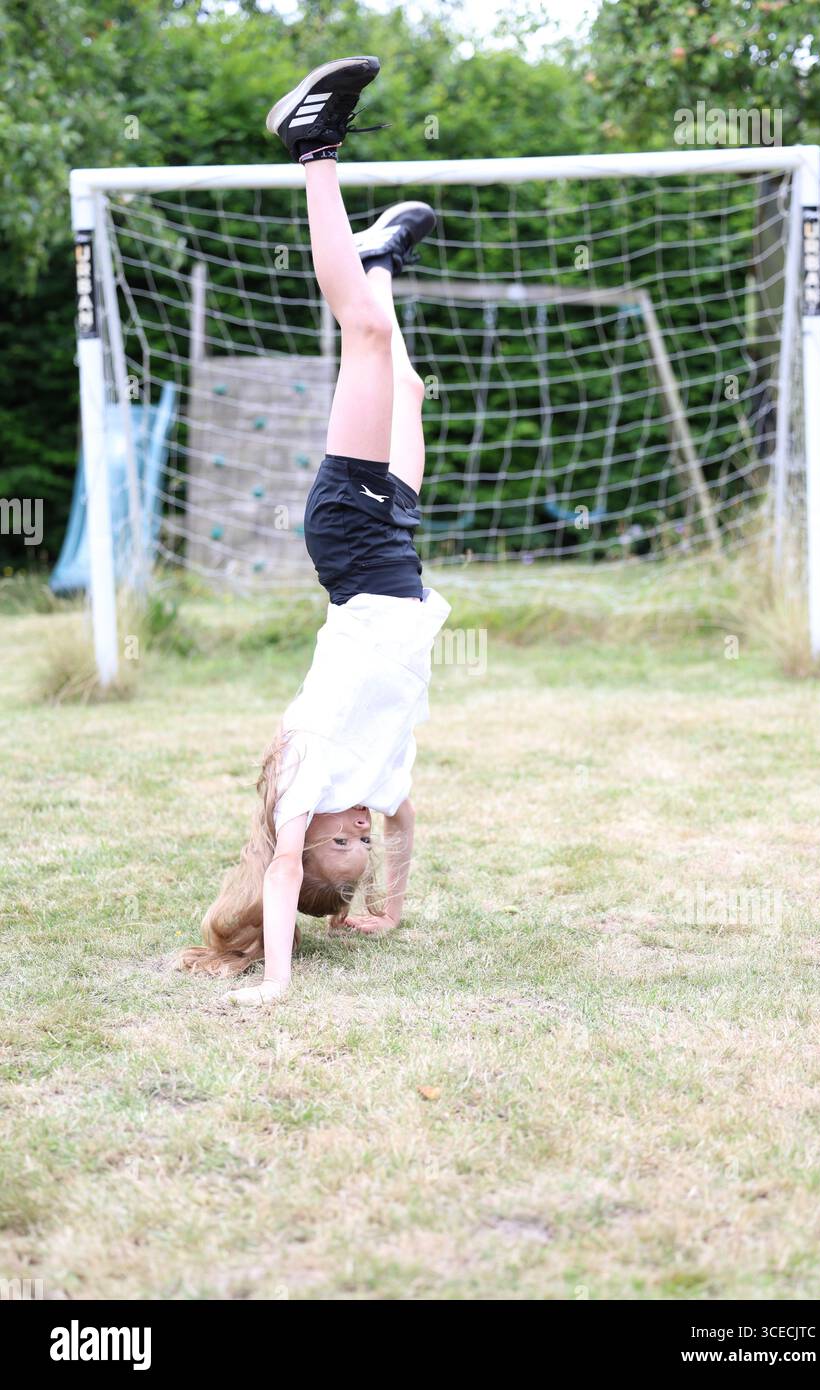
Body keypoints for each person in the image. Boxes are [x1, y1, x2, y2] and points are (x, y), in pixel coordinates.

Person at [178, 56, 450, 1006]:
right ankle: (376, 261)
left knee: (364, 339)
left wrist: (277, 982)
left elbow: (286, 873)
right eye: (358, 851)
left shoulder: (305, 772)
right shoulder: (379, 781)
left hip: (350, 542)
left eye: (343, 844)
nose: (360, 835)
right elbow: (410, 824)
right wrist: (391, 906)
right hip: (395, 551)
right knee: (407, 383)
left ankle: (312, 145)